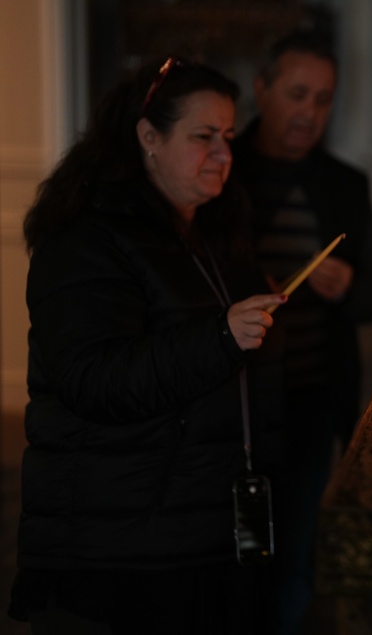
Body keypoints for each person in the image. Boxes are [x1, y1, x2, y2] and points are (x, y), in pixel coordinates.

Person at [8, 57, 288, 634]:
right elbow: (92, 378)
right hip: (115, 549)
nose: (223, 154)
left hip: (202, 531)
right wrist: (221, 336)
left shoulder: (211, 230)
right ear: (148, 137)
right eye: (203, 137)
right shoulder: (87, 239)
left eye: (229, 137)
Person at [231, 30, 372, 634]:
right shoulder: (221, 169)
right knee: (241, 551)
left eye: (323, 99)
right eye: (297, 94)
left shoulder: (343, 185)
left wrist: (347, 285)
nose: (309, 112)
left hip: (311, 399)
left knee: (298, 550)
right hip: (234, 408)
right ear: (262, 89)